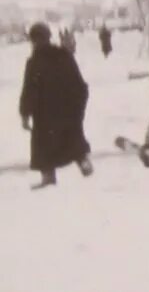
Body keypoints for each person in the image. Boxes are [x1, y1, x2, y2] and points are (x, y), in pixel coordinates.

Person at [19, 23, 93, 190]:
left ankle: (48, 177)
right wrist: (78, 109)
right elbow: (80, 84)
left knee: (42, 145)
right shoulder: (64, 56)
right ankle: (84, 163)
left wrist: (25, 114)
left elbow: (29, 90)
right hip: (69, 111)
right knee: (74, 138)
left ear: (34, 41)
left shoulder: (34, 62)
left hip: (45, 115)